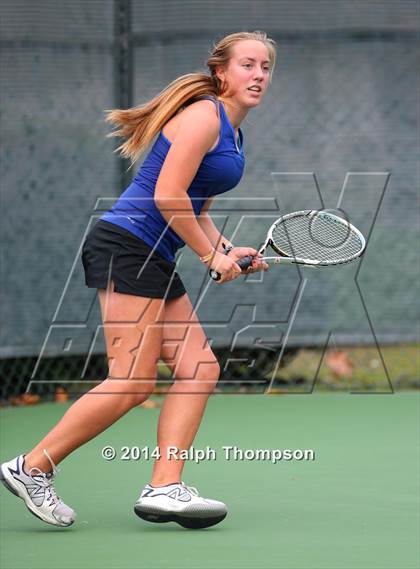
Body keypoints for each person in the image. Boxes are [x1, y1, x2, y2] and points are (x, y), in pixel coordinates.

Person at [0, 31, 275, 530]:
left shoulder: (234, 133)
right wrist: (211, 256)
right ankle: (31, 467)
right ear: (222, 73)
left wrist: (227, 249)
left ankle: (164, 487)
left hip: (151, 254)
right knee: (131, 380)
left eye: (265, 68)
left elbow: (195, 207)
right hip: (126, 245)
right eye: (248, 65)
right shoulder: (201, 117)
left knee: (199, 369)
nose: (258, 75)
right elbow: (168, 195)